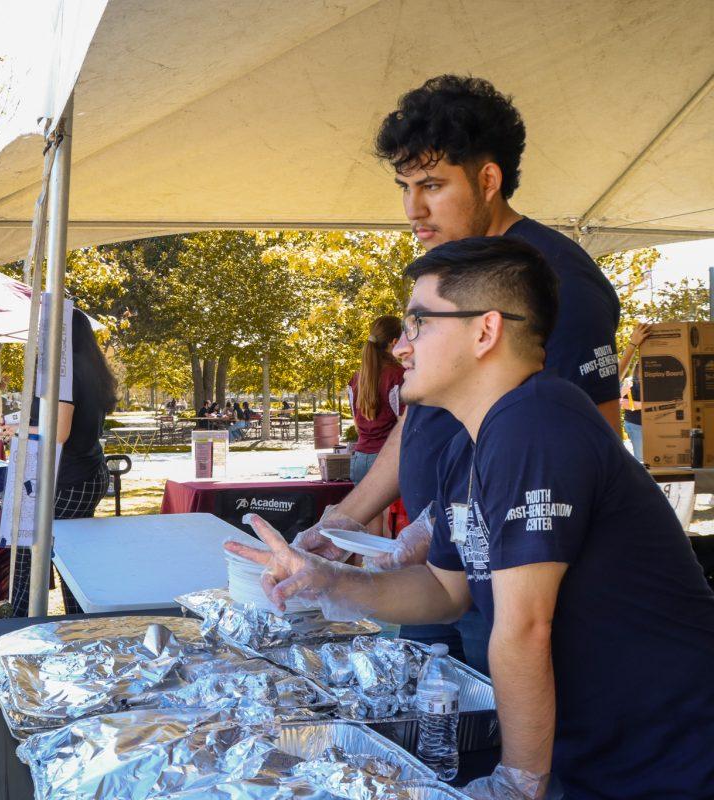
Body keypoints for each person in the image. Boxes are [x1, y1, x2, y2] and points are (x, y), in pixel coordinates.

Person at [228, 238, 714, 799]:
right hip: (601, 748)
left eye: (418, 326)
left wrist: (517, 783)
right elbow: (444, 590)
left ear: (485, 331)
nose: (402, 350)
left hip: (670, 752)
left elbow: (524, 629)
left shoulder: (537, 423)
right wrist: (332, 583)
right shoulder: (473, 438)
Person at [294, 74, 621, 671]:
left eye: (432, 185)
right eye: (404, 186)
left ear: (488, 180)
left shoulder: (553, 283)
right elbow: (420, 420)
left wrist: (450, 526)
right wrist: (345, 518)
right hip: (444, 572)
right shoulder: (455, 273)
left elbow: (595, 441)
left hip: (514, 584)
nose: (412, 208)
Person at [8, 308, 118, 617]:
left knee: (32, 558)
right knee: (72, 558)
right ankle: (78, 623)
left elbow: (58, 432)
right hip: (88, 471)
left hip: (69, 479)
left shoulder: (64, 374)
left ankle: (20, 626)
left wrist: (17, 429)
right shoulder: (91, 369)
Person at [346, 315, 405, 532]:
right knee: (391, 526)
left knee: (370, 529)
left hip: (360, 458)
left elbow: (356, 420)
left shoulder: (356, 378)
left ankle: (367, 566)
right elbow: (404, 425)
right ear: (393, 342)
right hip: (387, 461)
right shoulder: (398, 375)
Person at [618, 323, 650, 461]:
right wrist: (644, 405)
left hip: (651, 423)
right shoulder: (630, 382)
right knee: (641, 460)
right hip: (636, 424)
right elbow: (621, 402)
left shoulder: (652, 382)